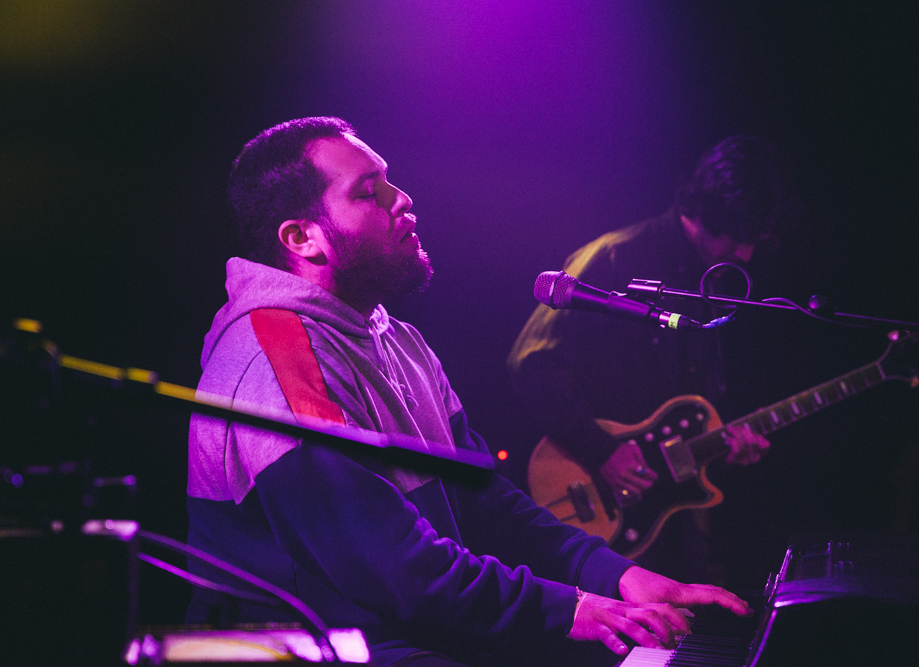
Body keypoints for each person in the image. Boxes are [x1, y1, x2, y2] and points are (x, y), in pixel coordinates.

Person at [185, 117, 753, 667]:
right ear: (303, 237)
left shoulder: (395, 338)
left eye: (389, 181)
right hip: (315, 647)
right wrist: (574, 609)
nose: (402, 199)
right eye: (368, 192)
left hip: (402, 636)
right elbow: (394, 569)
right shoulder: (279, 358)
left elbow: (483, 502)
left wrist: (616, 575)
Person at [507, 136, 798, 585]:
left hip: (668, 523)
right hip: (592, 502)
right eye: (737, 237)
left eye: (753, 240)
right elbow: (532, 363)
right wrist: (601, 449)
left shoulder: (713, 281)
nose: (745, 254)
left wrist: (726, 446)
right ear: (708, 211)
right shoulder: (614, 258)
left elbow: (687, 406)